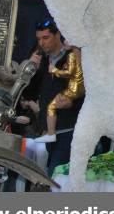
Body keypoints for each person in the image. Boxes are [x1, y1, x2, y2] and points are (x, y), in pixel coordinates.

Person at [23, 19, 84, 175]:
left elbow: (84, 87)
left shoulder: (73, 56)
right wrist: (31, 71)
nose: (41, 43)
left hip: (67, 130)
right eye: (38, 39)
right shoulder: (41, 60)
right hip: (45, 131)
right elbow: (29, 93)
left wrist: (73, 102)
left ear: (57, 35)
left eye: (46, 38)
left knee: (55, 178)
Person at [34, 45, 84, 143]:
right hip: (77, 88)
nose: (64, 42)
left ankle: (51, 134)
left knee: (51, 106)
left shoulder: (72, 55)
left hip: (74, 89)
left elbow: (69, 73)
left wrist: (55, 70)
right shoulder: (78, 56)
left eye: (66, 40)